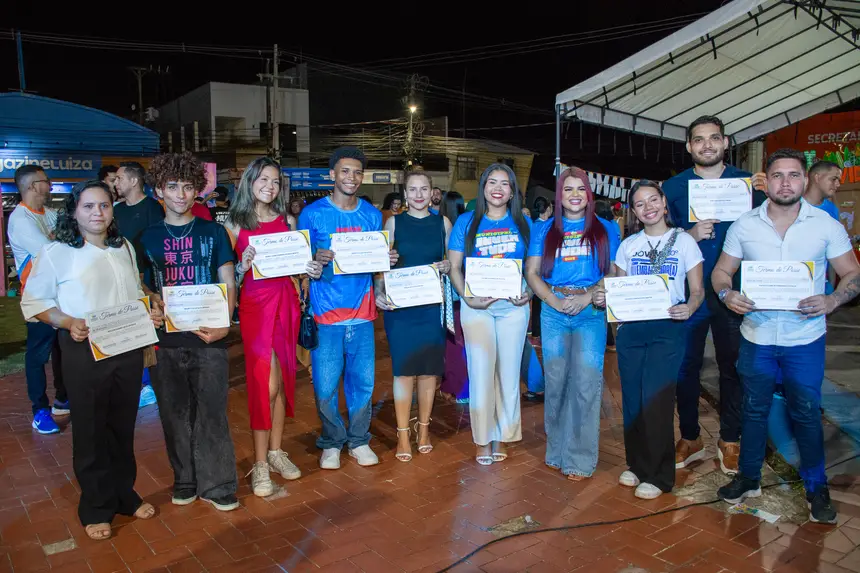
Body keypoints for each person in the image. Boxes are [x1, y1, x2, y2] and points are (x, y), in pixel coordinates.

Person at [714, 148, 860, 524]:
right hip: (757, 335)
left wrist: (833, 299)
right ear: (766, 181)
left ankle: (816, 487)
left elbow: (852, 272)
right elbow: (721, 272)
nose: (785, 183)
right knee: (754, 409)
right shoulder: (745, 224)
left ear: (805, 180)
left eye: (793, 175)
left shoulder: (825, 225)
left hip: (804, 338)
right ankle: (749, 478)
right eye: (777, 175)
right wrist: (727, 293)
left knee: (807, 413)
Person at [21, 180, 160, 540]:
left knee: (122, 425)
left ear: (113, 210)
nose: (97, 213)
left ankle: (124, 495)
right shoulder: (57, 252)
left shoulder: (123, 246)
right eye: (88, 206)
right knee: (90, 428)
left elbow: (133, 291)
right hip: (83, 348)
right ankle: (96, 507)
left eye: (104, 205)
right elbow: (35, 302)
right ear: (74, 211)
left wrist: (149, 307)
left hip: (127, 345)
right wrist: (68, 322)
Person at [663, 115, 766, 475]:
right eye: (699, 139)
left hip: (733, 293)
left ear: (725, 143)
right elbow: (657, 238)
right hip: (688, 293)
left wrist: (768, 188)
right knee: (685, 368)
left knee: (732, 367)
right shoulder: (673, 187)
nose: (707, 145)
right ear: (689, 146)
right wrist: (686, 235)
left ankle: (730, 439)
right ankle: (691, 436)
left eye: (713, 138)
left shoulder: (748, 184)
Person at [138, 152, 240, 511]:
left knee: (212, 412)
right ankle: (184, 479)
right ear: (158, 191)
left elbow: (228, 281)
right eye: (172, 186)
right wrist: (151, 299)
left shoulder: (214, 232)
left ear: (197, 189)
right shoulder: (146, 237)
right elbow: (141, 283)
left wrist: (224, 325)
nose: (180, 194)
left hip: (209, 337)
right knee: (173, 413)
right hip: (166, 341)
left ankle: (219, 483)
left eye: (187, 186)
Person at [226, 157, 322, 496]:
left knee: (282, 382)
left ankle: (276, 452)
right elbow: (227, 276)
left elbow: (297, 266)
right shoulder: (234, 224)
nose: (270, 186)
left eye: (276, 181)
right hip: (255, 308)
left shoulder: (287, 220)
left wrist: (310, 270)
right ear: (250, 181)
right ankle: (260, 463)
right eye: (263, 179)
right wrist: (241, 267)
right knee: (264, 385)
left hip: (286, 304)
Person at [298, 147, 398, 470]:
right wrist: (313, 262)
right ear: (332, 174)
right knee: (325, 386)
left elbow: (377, 266)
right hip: (326, 313)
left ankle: (358, 439)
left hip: (363, 313)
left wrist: (384, 274)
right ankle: (331, 440)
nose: (351, 178)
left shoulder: (371, 215)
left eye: (357, 172)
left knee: (363, 384)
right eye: (344, 171)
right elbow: (301, 264)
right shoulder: (312, 214)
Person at [611, 181, 704, 499]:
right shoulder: (628, 245)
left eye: (653, 200)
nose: (648, 207)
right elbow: (619, 287)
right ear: (634, 212)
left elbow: (698, 290)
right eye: (640, 203)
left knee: (657, 400)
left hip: (668, 327)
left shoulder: (685, 242)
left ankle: (660, 475)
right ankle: (637, 465)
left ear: (664, 203)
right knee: (633, 400)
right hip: (633, 329)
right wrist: (608, 301)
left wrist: (689, 307)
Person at [524, 166, 617, 481]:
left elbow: (613, 271)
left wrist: (589, 296)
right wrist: (554, 301)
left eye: (580, 189)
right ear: (559, 195)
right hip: (554, 312)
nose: (574, 195)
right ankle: (557, 450)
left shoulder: (606, 228)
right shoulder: (544, 229)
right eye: (568, 189)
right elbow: (532, 273)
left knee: (586, 383)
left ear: (589, 194)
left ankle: (579, 458)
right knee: (556, 383)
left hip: (590, 313)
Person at [448, 163, 531, 466]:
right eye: (492, 182)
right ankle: (483, 438)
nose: (498, 188)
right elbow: (454, 267)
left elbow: (534, 268)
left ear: (512, 191)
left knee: (508, 375)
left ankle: (502, 436)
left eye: (505, 183)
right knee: (481, 373)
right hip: (477, 308)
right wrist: (467, 297)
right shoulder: (467, 221)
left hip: (513, 309)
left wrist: (530, 292)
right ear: (483, 187)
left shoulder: (524, 222)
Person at [375, 171, 451, 462]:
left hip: (431, 307)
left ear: (432, 192)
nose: (418, 195)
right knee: (404, 370)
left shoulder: (443, 223)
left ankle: (424, 429)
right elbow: (381, 265)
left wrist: (448, 266)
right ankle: (403, 433)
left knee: (429, 370)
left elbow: (453, 262)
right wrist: (379, 290)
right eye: (412, 189)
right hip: (401, 309)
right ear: (405, 194)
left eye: (424, 189)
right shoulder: (393, 223)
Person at [9, 165, 68, 434]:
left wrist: (58, 240)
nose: (50, 185)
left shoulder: (50, 213)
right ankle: (39, 410)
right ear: (33, 186)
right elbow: (50, 251)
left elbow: (69, 240)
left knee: (63, 349)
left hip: (62, 295)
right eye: (46, 181)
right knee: (38, 354)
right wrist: (57, 240)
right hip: (39, 299)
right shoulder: (20, 219)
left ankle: (63, 399)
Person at [113, 162, 163, 410]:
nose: (115, 183)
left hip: (148, 281)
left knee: (148, 332)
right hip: (122, 280)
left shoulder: (152, 208)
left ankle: (148, 384)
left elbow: (158, 245)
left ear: (134, 181)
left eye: (119, 178)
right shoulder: (117, 210)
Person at [438, 191, 469, 403]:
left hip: (448, 294)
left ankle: (456, 387)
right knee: (464, 342)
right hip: (468, 291)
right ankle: (464, 388)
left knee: (452, 342)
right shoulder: (468, 226)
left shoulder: (442, 227)